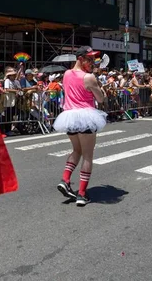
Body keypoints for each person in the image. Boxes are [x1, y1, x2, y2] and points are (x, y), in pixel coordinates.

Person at [54, 46, 106, 206]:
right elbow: (101, 99)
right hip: (85, 116)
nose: (92, 62)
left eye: (93, 59)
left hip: (69, 117)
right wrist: (99, 88)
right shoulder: (89, 77)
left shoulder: (66, 74)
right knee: (88, 156)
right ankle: (82, 194)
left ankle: (65, 179)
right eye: (89, 59)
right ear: (80, 59)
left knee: (77, 150)